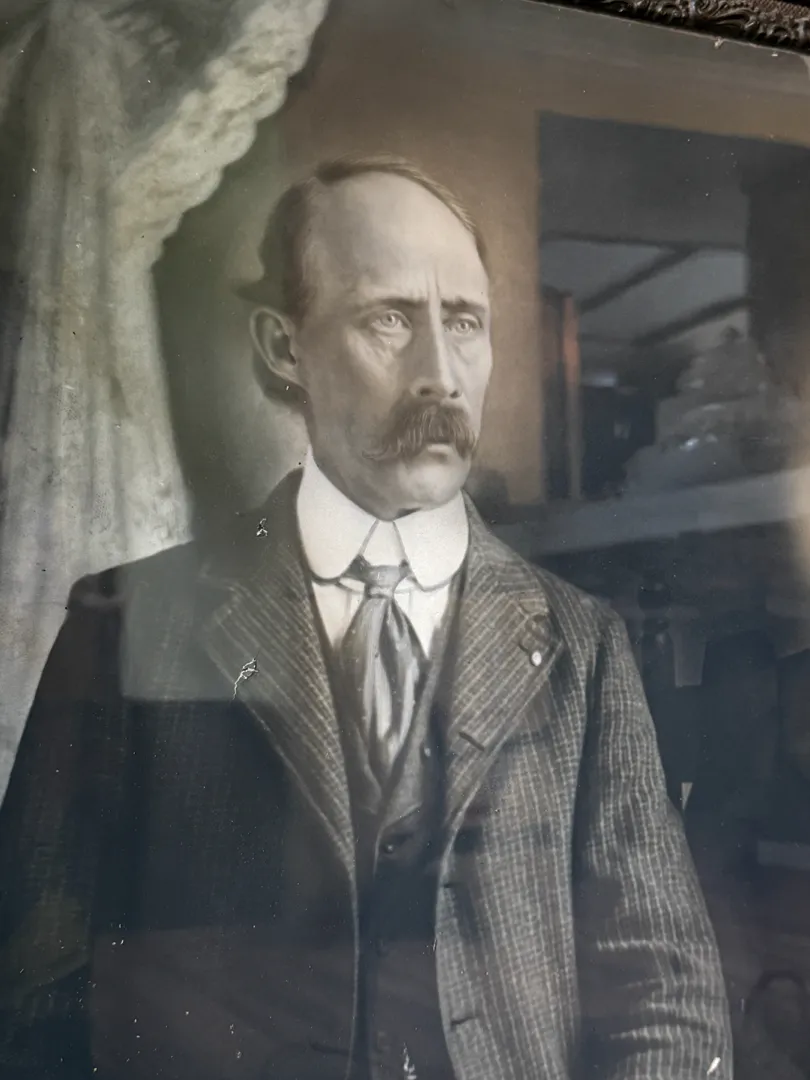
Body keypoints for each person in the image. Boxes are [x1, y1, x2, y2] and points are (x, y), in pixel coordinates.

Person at [0, 155, 731, 1080]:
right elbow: (32, 984)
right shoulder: (132, 619)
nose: (440, 374)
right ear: (283, 347)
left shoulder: (580, 644)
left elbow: (665, 994)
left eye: (463, 323)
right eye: (389, 319)